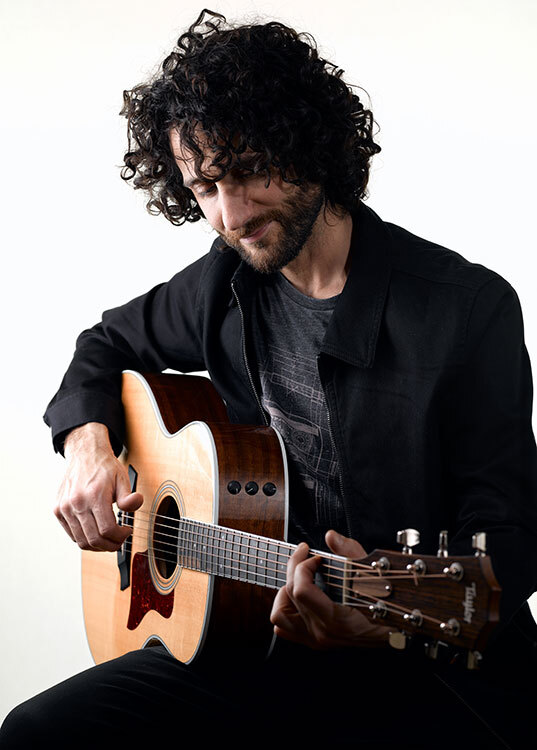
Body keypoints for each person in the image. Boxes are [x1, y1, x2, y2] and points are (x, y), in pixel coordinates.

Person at [2, 9, 536, 749]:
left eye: (250, 169)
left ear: (310, 144)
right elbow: (103, 344)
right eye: (205, 188)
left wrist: (372, 617)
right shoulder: (225, 284)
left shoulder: (464, 308)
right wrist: (88, 450)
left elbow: (510, 535)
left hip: (423, 657)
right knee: (36, 735)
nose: (231, 213)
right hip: (257, 639)